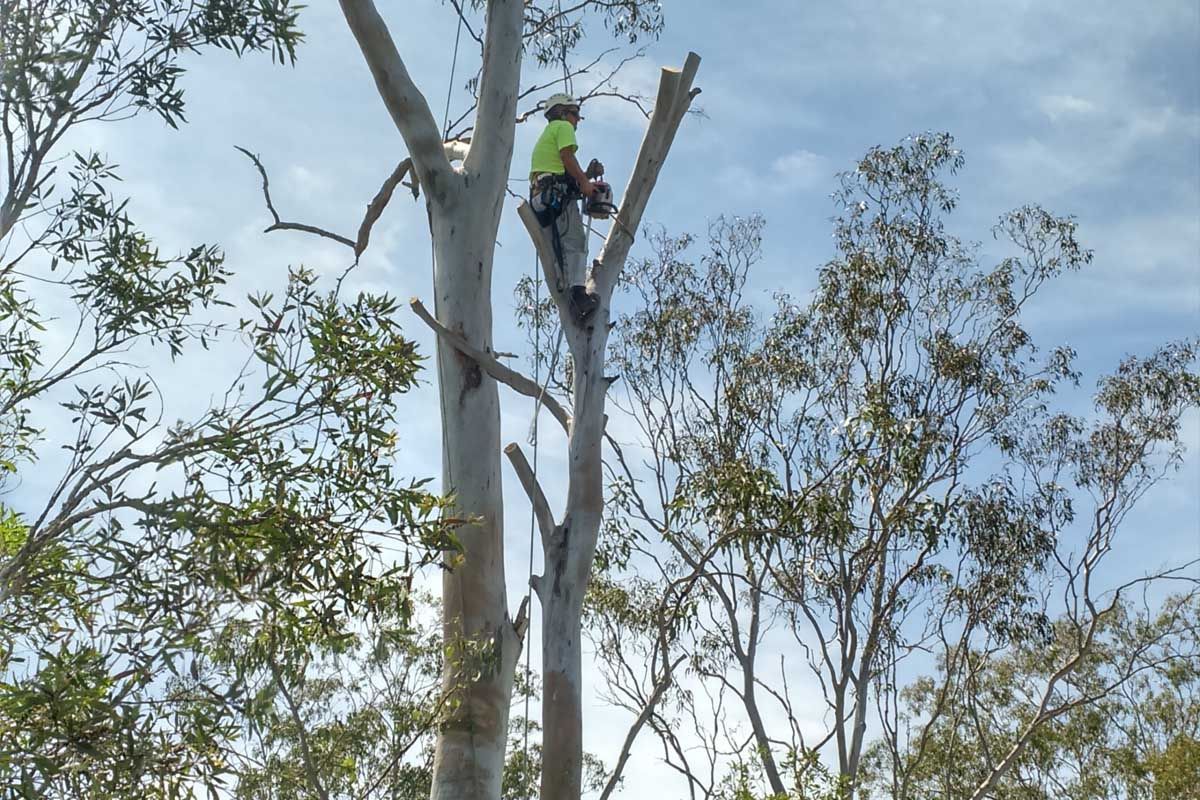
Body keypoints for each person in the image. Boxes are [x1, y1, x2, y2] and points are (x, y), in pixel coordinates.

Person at [529, 92, 603, 320]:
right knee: (577, 242)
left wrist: (586, 177)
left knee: (558, 251)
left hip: (540, 199)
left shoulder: (547, 134)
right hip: (555, 197)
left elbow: (564, 171)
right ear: (562, 113)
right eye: (575, 114)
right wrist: (585, 182)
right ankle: (579, 295)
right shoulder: (563, 127)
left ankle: (570, 297)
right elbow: (567, 157)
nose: (578, 119)